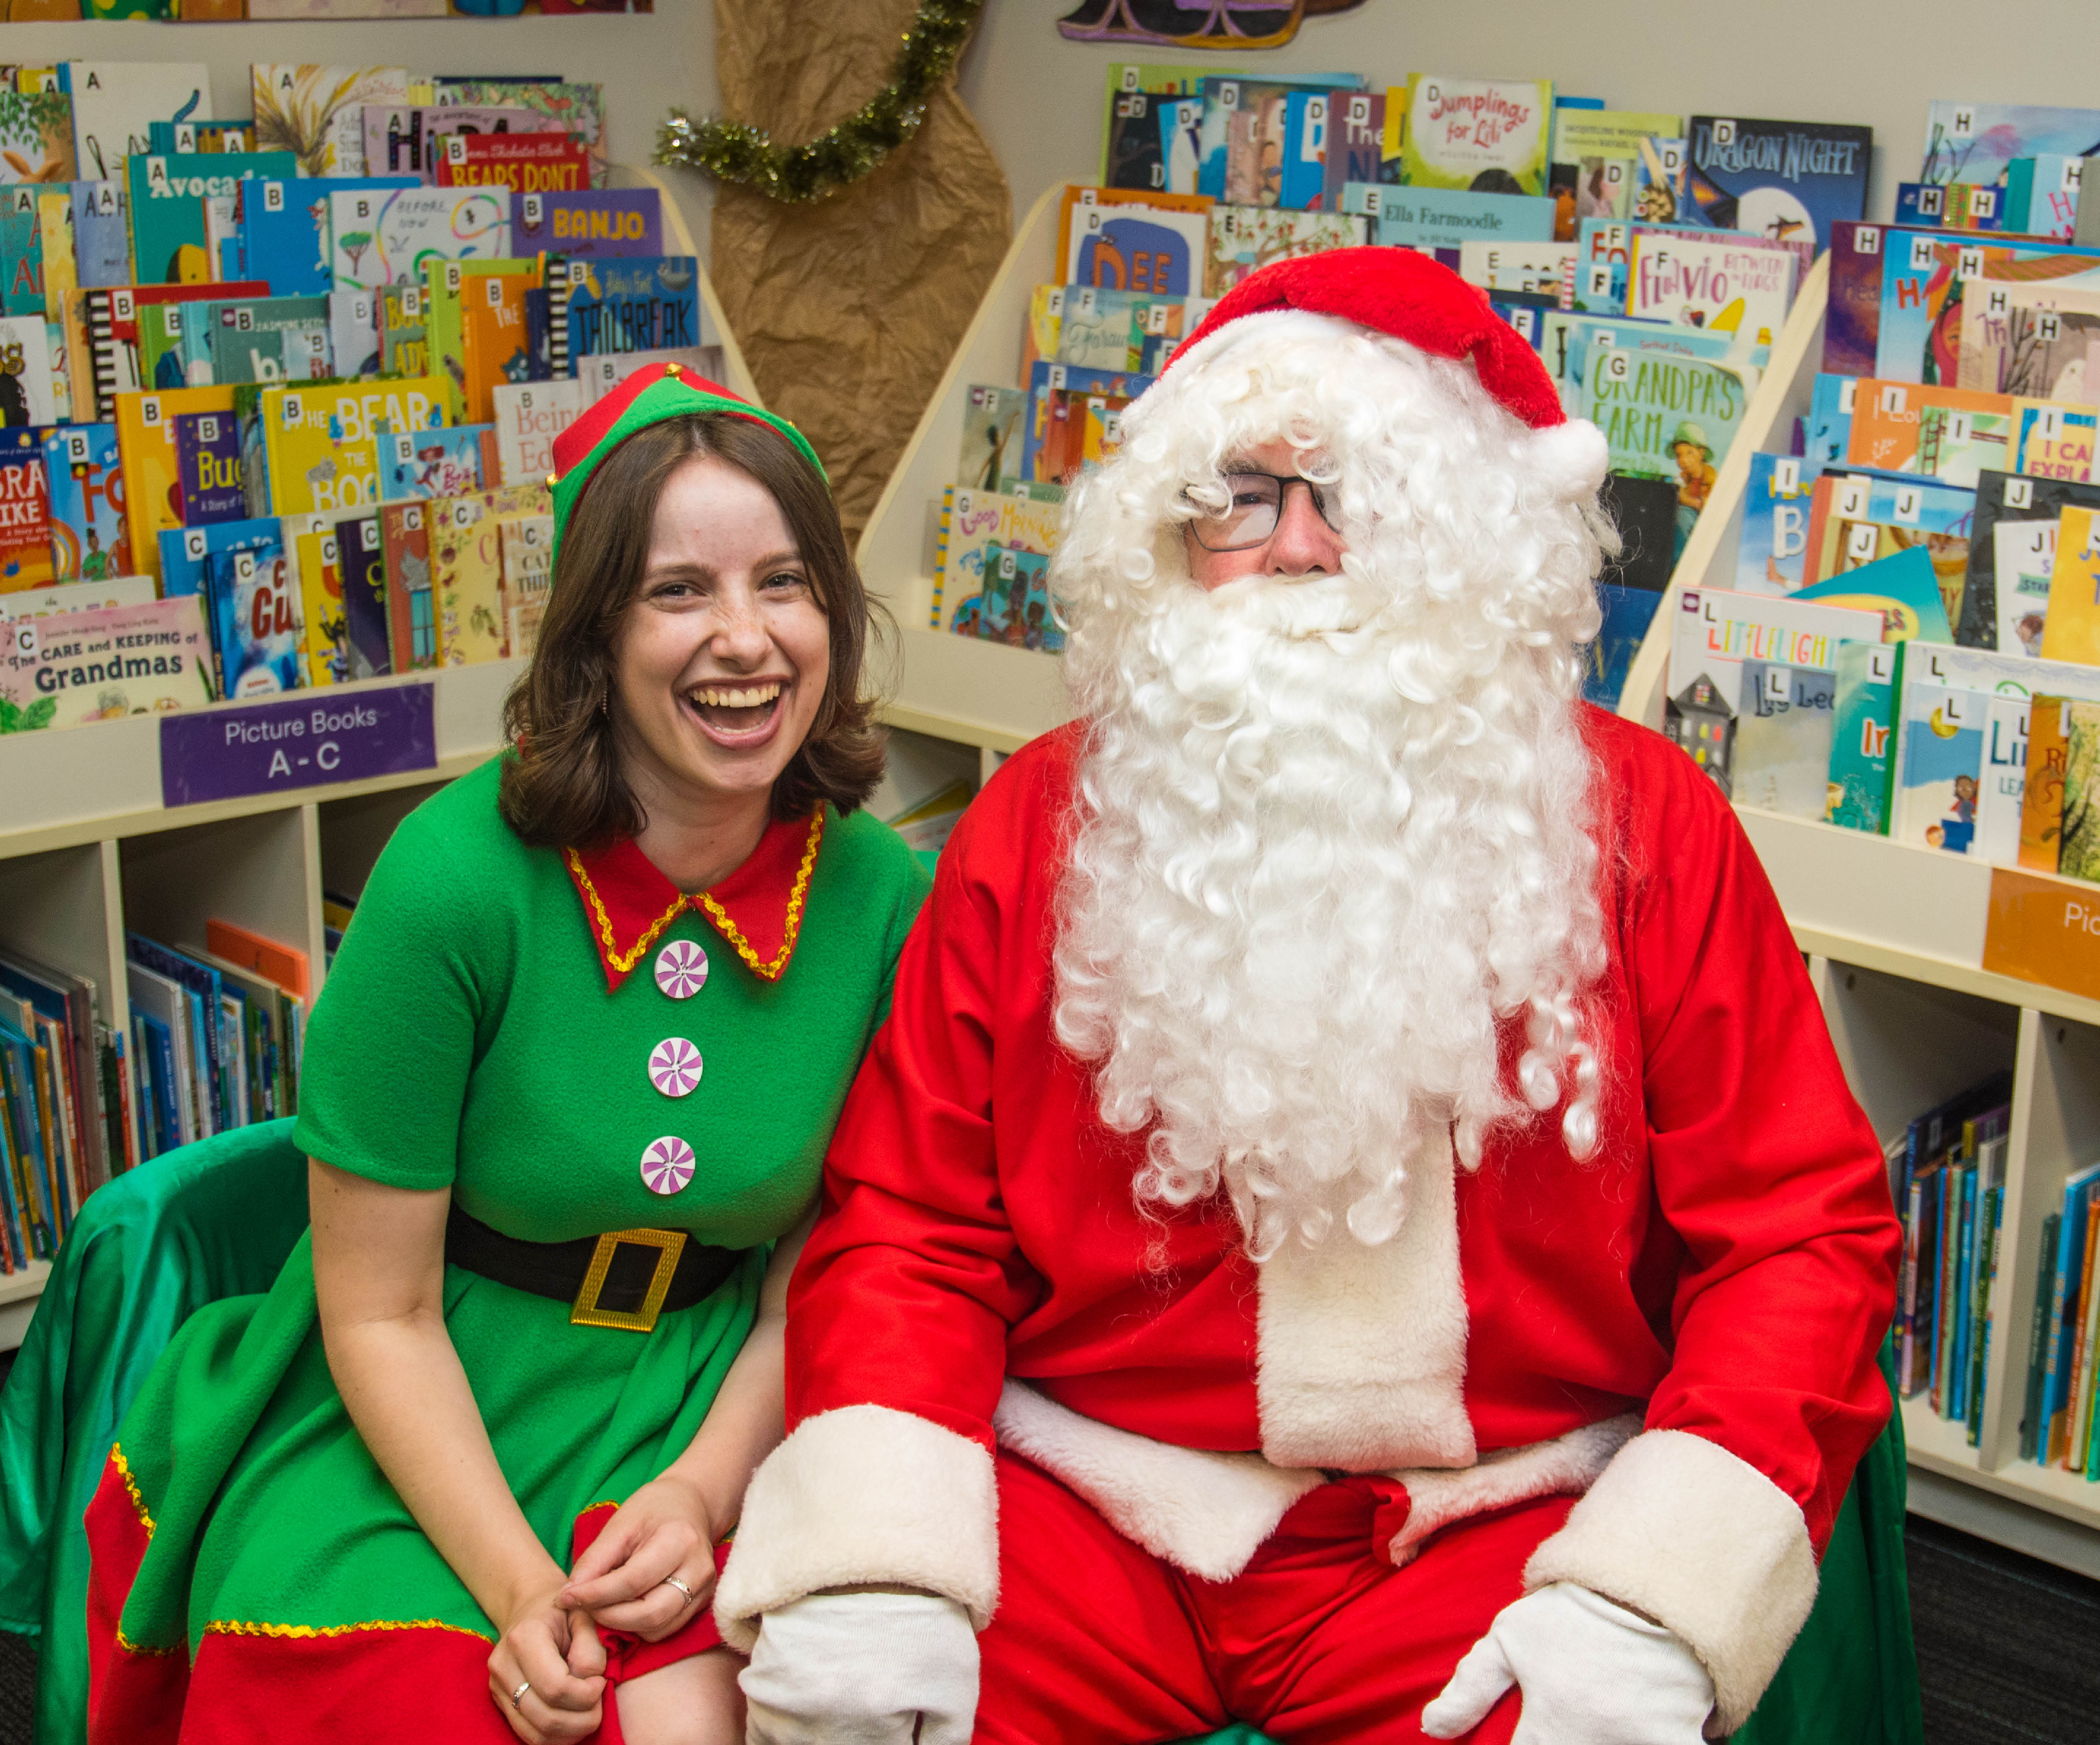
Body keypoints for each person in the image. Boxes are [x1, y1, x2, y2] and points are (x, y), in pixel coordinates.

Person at [716, 250, 1900, 1743]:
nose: (1296, 551)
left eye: (1357, 497)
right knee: (841, 1710)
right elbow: (913, 1225)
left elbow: (1799, 1236)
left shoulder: (1644, 830)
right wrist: (876, 1562)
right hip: (1096, 1498)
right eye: (1242, 500)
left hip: (1491, 1519)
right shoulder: (1039, 822)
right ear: (1168, 536)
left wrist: (1649, 1597)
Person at [82, 366, 930, 1745]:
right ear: (591, 637)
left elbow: (817, 1275)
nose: (746, 639)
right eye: (677, 592)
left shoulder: (886, 898)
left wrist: (708, 1490)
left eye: (785, 583)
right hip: (428, 1394)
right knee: (420, 1708)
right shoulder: (451, 880)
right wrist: (520, 1590)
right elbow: (379, 1314)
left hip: (709, 1396)